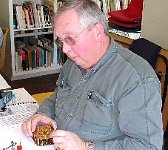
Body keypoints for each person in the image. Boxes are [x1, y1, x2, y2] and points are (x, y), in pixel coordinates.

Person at [21, 0, 163, 149]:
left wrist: (85, 147)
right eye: (61, 41)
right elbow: (57, 97)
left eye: (70, 39)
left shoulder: (136, 80)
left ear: (97, 32)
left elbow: (148, 146)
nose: (64, 50)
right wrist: (43, 115)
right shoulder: (74, 61)